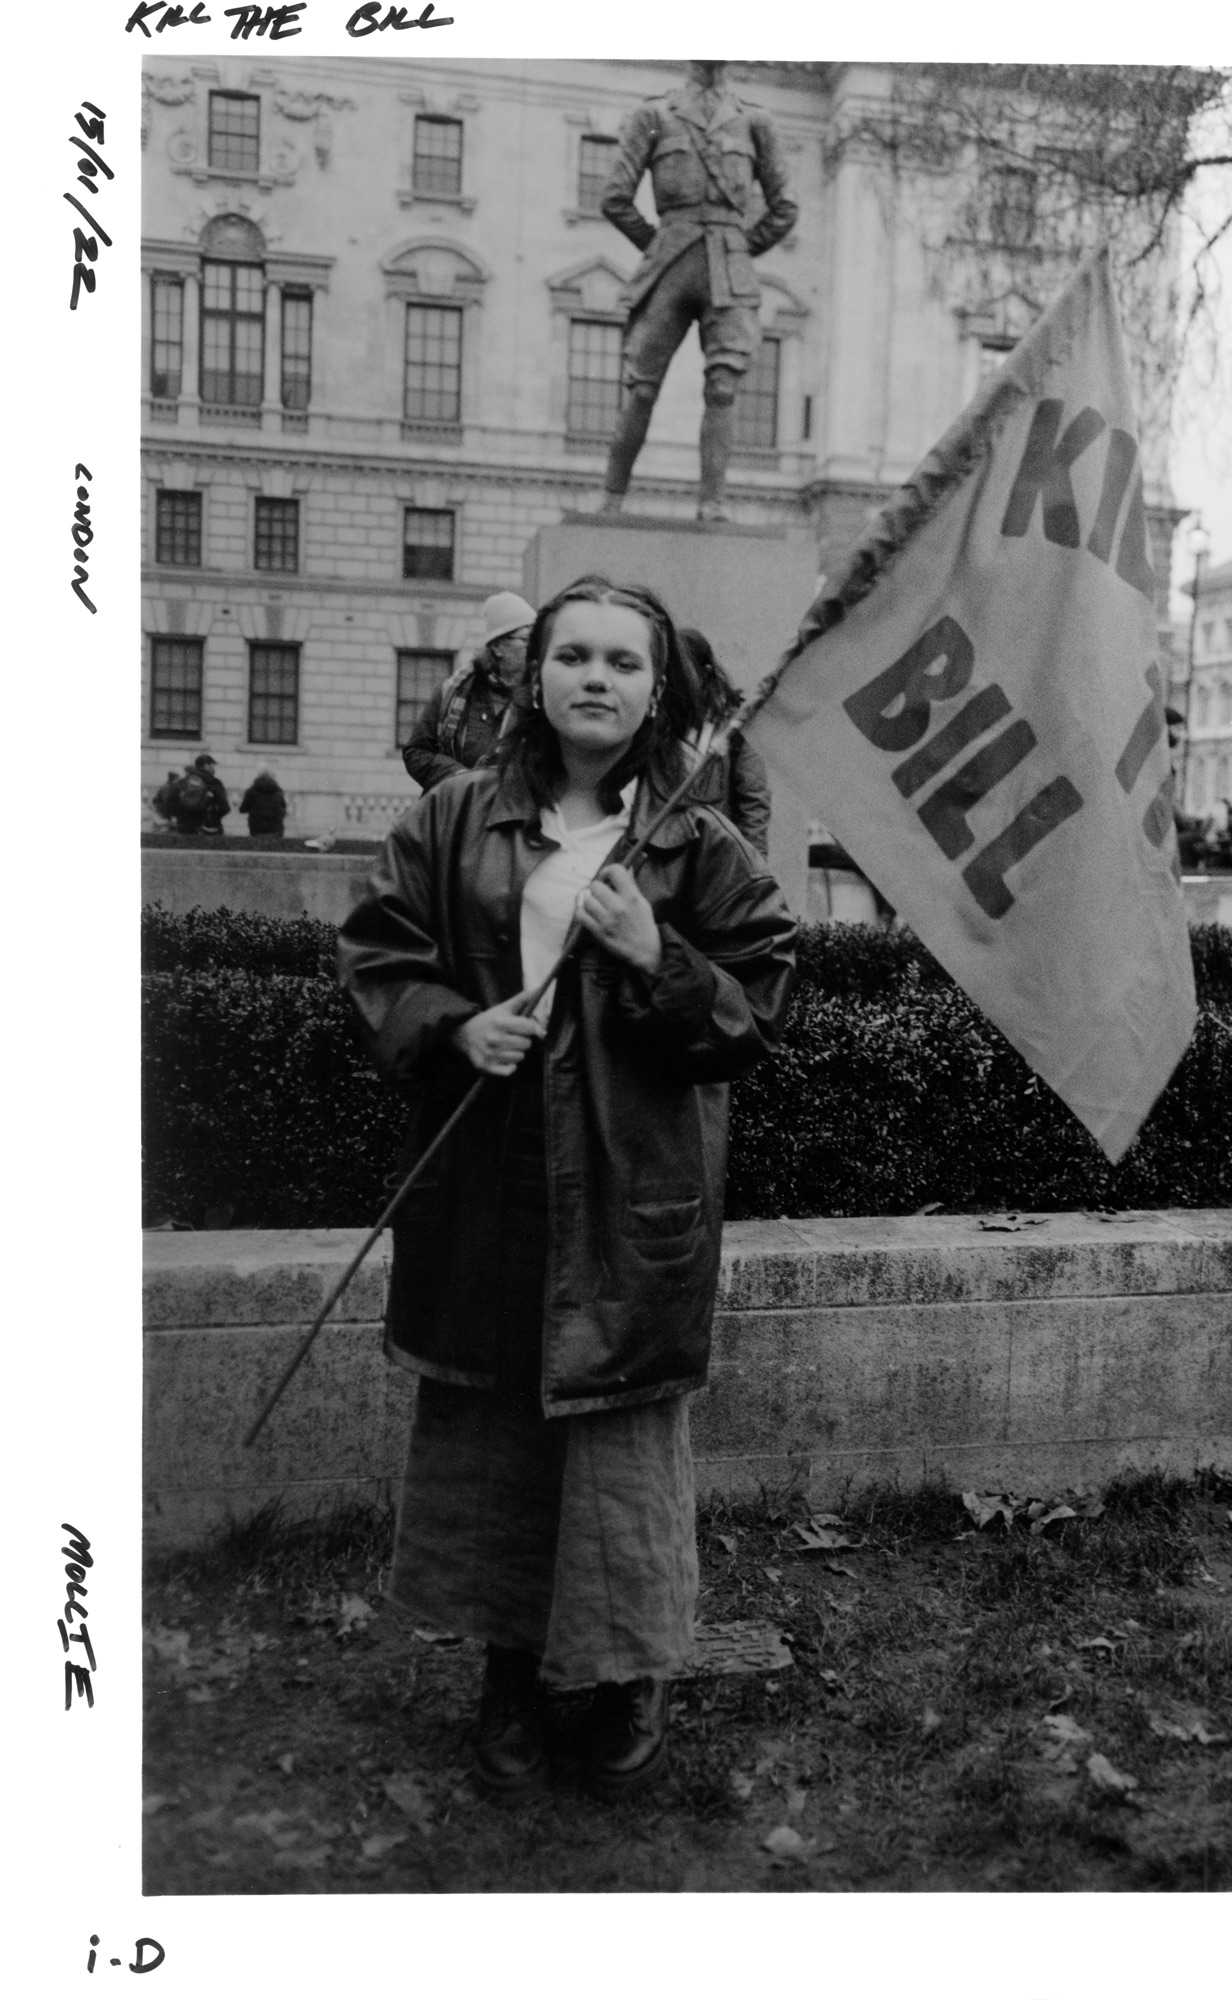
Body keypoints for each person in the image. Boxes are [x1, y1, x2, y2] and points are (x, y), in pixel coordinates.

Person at [338, 575, 796, 1801]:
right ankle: (508, 1670)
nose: (598, 678)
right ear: (533, 674)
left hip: (629, 1194)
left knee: (617, 1454)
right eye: (574, 655)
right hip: (490, 1185)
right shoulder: (451, 819)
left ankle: (625, 1675)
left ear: (659, 690)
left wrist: (662, 957)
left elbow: (756, 1010)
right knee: (496, 1438)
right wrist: (452, 1024)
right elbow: (380, 952)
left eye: (625, 663)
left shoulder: (699, 846)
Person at [598, 61, 798, 522]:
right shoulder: (655, 116)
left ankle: (712, 503)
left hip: (728, 271)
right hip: (671, 265)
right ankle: (612, 496)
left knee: (723, 387)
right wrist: (659, 246)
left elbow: (784, 205)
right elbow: (615, 196)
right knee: (641, 387)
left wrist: (742, 248)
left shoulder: (755, 121)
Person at [403, 592, 537, 793]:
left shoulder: (540, 699)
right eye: (526, 639)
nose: (534, 648)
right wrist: (460, 778)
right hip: (456, 813)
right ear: (498, 646)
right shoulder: (453, 692)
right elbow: (416, 752)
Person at [676, 626, 772, 856]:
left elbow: (753, 805)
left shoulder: (733, 727)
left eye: (683, 672)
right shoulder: (659, 721)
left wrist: (754, 872)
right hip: (665, 860)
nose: (676, 681)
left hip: (713, 857)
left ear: (705, 672)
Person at [164, 753, 229, 835]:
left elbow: (169, 803)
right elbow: (225, 807)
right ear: (206, 765)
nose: (213, 767)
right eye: (212, 765)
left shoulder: (184, 781)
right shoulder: (215, 783)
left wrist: (180, 816)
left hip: (184, 825)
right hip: (208, 827)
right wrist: (214, 817)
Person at [239, 770, 288, 839]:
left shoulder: (251, 791)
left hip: (256, 827)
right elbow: (283, 808)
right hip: (276, 827)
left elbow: (242, 809)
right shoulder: (278, 791)